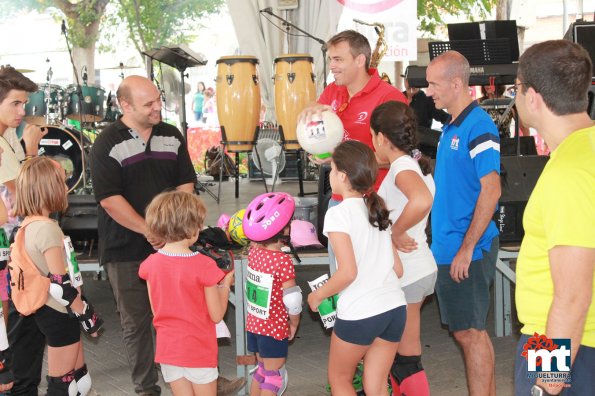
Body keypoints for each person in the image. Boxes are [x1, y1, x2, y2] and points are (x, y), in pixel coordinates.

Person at [90, 75, 197, 395]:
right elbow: (109, 199)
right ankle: (147, 389)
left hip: (175, 244)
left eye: (158, 100)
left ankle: (201, 380)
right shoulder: (106, 142)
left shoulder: (172, 134)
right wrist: (149, 230)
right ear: (125, 105)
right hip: (125, 249)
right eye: (148, 103)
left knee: (185, 317)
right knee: (136, 324)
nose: (157, 108)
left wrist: (175, 230)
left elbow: (186, 185)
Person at [512, 40, 595, 396]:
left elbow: (572, 295)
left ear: (532, 98)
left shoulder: (569, 171)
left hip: (561, 342)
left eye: (515, 88)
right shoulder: (583, 152)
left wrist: (547, 382)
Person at [299, 29, 408, 274]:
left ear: (360, 60)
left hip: (376, 204)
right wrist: (322, 151)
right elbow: (324, 135)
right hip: (339, 201)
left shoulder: (388, 97)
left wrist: (346, 163)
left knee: (377, 279)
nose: (332, 67)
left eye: (338, 60)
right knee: (341, 277)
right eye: (330, 60)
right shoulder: (332, 92)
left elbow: (398, 158)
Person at [427, 51, 501, 396]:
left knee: (470, 332)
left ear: (457, 84)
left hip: (464, 248)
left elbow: (492, 189)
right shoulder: (452, 125)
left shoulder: (479, 125)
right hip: (448, 246)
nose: (428, 91)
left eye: (433, 84)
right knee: (465, 332)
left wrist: (467, 248)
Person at [307, 140, 407, 395]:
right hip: (394, 307)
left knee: (340, 379)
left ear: (342, 175)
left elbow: (348, 273)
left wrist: (318, 295)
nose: (330, 176)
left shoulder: (338, 214)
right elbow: (397, 269)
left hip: (361, 312)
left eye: (331, 170)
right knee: (376, 383)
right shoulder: (377, 208)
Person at [13, 157, 102, 394]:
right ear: (46, 189)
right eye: (61, 183)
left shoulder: (28, 225)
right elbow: (60, 284)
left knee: (79, 380)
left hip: (55, 311)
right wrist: (87, 316)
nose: (66, 189)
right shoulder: (47, 228)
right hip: (60, 312)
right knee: (63, 385)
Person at [139, 191, 235, 396]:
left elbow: (157, 310)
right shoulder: (205, 265)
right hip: (198, 349)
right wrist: (225, 285)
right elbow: (216, 315)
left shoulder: (150, 265)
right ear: (192, 228)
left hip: (168, 349)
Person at [371, 101, 437, 396]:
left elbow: (421, 201)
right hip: (413, 269)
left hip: (408, 272)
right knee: (397, 356)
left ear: (382, 137)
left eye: (372, 137)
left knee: (406, 359)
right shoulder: (411, 163)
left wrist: (395, 231)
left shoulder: (401, 167)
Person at [0, 65, 49, 395]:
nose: (23, 112)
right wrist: (32, 152)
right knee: (11, 330)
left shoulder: (7, 138)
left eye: (25, 103)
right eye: (16, 104)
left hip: (15, 250)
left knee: (19, 329)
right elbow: (19, 202)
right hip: (9, 252)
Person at [242, 192, 301, 396]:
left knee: (261, 371)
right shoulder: (283, 261)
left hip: (254, 325)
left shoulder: (254, 253)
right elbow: (292, 299)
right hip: (274, 328)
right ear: (284, 229)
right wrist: (294, 322)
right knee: (273, 377)